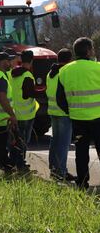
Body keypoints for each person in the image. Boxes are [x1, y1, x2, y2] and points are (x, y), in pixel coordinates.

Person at [57, 37, 100, 189]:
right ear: (88, 51)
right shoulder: (98, 68)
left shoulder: (64, 71)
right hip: (98, 118)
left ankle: (82, 182)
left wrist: (71, 112)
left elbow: (60, 99)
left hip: (77, 119)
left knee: (81, 153)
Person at [47, 48, 76, 181]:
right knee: (63, 143)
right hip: (63, 112)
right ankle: (61, 171)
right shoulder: (65, 72)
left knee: (55, 141)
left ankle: (53, 168)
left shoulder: (50, 73)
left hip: (53, 111)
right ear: (69, 60)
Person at [9, 50, 40, 171]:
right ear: (31, 61)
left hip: (15, 112)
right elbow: (28, 94)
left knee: (15, 140)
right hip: (26, 115)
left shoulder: (13, 73)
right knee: (23, 141)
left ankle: (13, 162)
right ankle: (21, 164)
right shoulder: (27, 75)